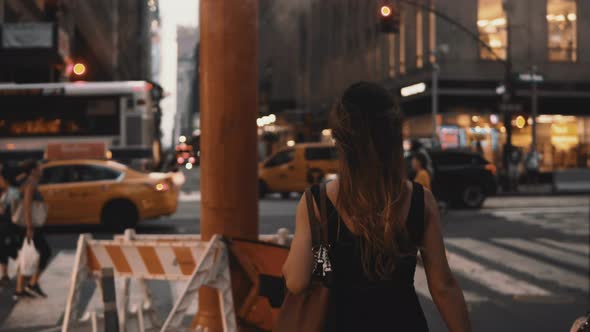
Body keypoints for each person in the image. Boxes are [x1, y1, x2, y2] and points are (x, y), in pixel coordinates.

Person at [283, 82, 471, 331]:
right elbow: (443, 286)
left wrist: (310, 253)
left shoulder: (317, 202)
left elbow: (298, 280)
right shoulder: (418, 200)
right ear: (394, 138)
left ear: (341, 140)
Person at [13, 160, 51, 300]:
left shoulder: (28, 182)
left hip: (27, 226)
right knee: (45, 252)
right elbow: (27, 207)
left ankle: (19, 289)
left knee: (26, 255)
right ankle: (32, 283)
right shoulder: (30, 184)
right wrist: (30, 227)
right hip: (29, 227)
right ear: (33, 170)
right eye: (39, 167)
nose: (41, 169)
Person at [0, 164, 20, 286]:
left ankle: (20, 271)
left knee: (10, 250)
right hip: (3, 225)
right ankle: (5, 274)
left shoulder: (13, 192)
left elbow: (15, 210)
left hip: (7, 226)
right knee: (3, 250)